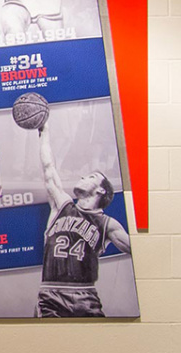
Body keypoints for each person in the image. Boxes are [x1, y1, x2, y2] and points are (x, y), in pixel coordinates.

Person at [36, 123, 131, 317]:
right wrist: (44, 132)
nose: (82, 176)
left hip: (85, 296)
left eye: (91, 176)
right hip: (50, 296)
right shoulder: (62, 205)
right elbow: (48, 168)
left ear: (101, 190)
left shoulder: (107, 224)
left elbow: (138, 251)